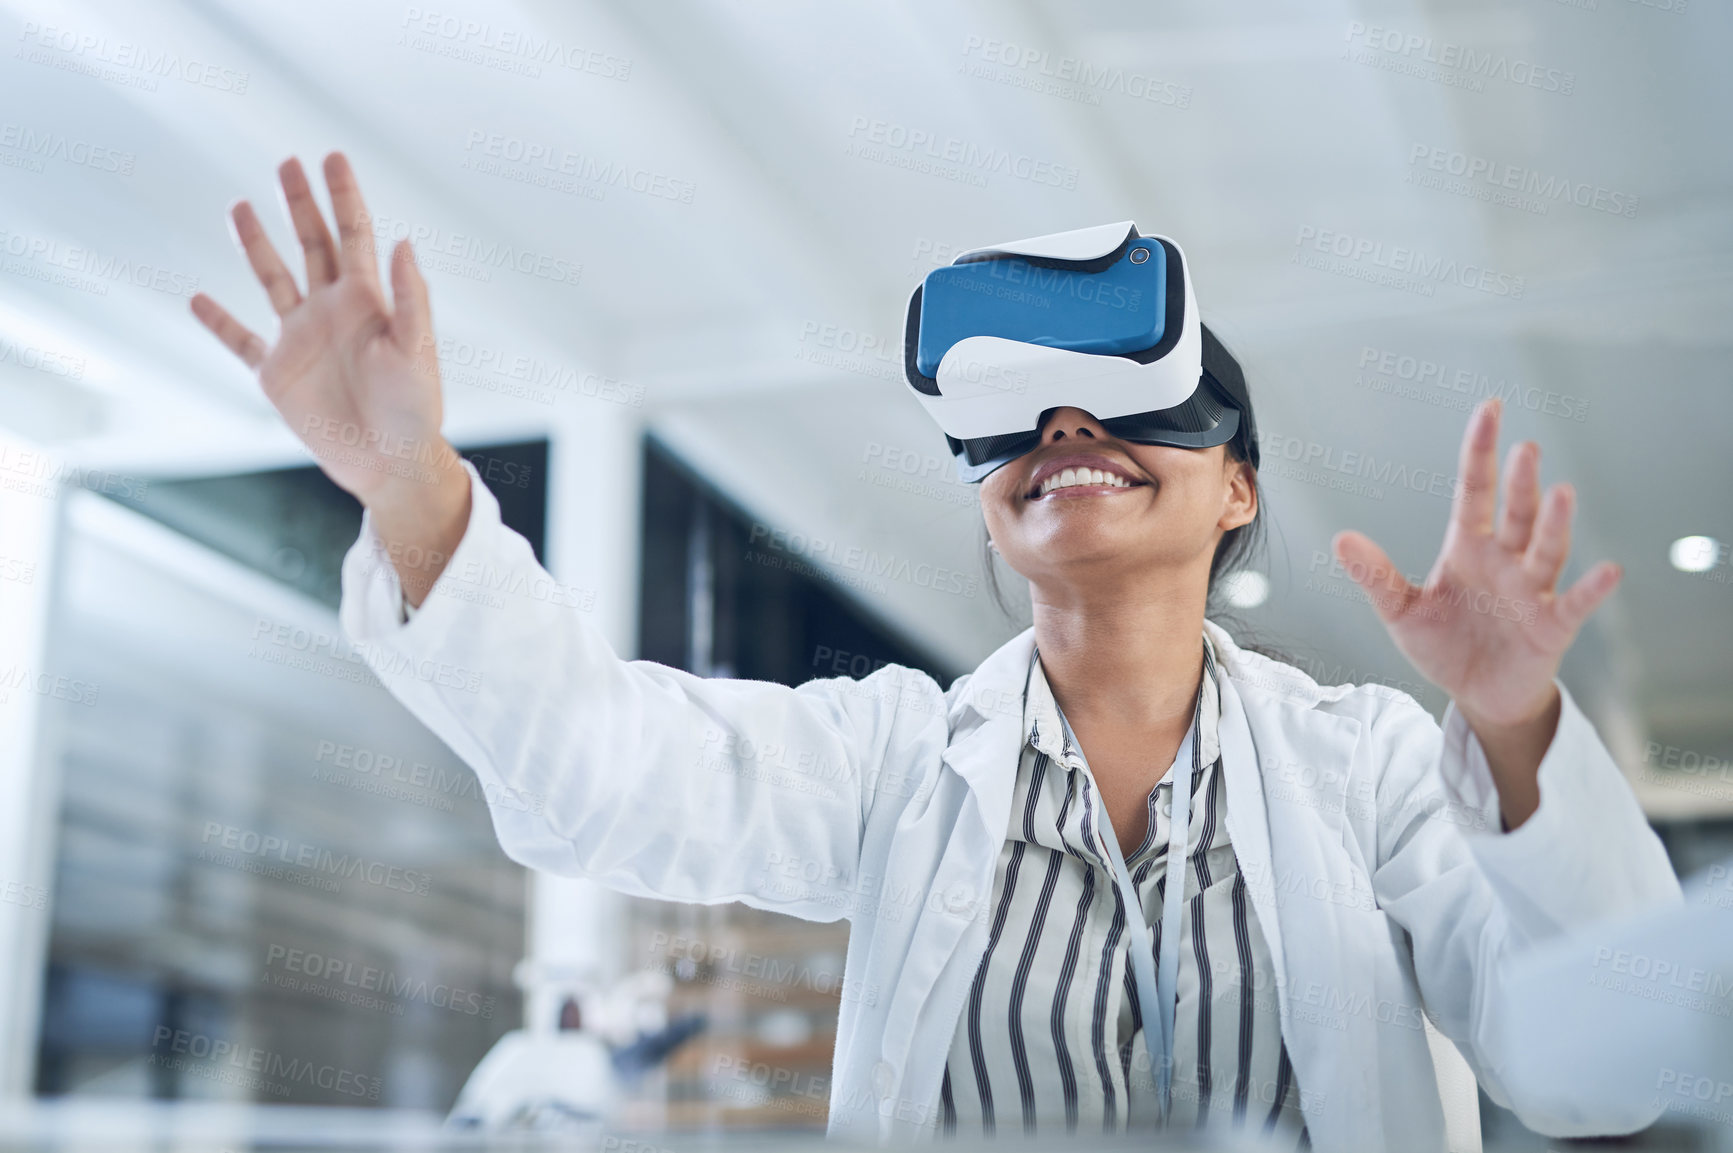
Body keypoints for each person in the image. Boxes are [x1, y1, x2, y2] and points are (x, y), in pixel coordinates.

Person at [190, 153, 1682, 1152]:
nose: (1064, 433)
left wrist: (1511, 724)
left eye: (1122, 406)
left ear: (1235, 486)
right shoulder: (892, 762)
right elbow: (602, 768)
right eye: (1022, 421)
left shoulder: (1366, 773)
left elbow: (1590, 1068)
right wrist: (411, 484)